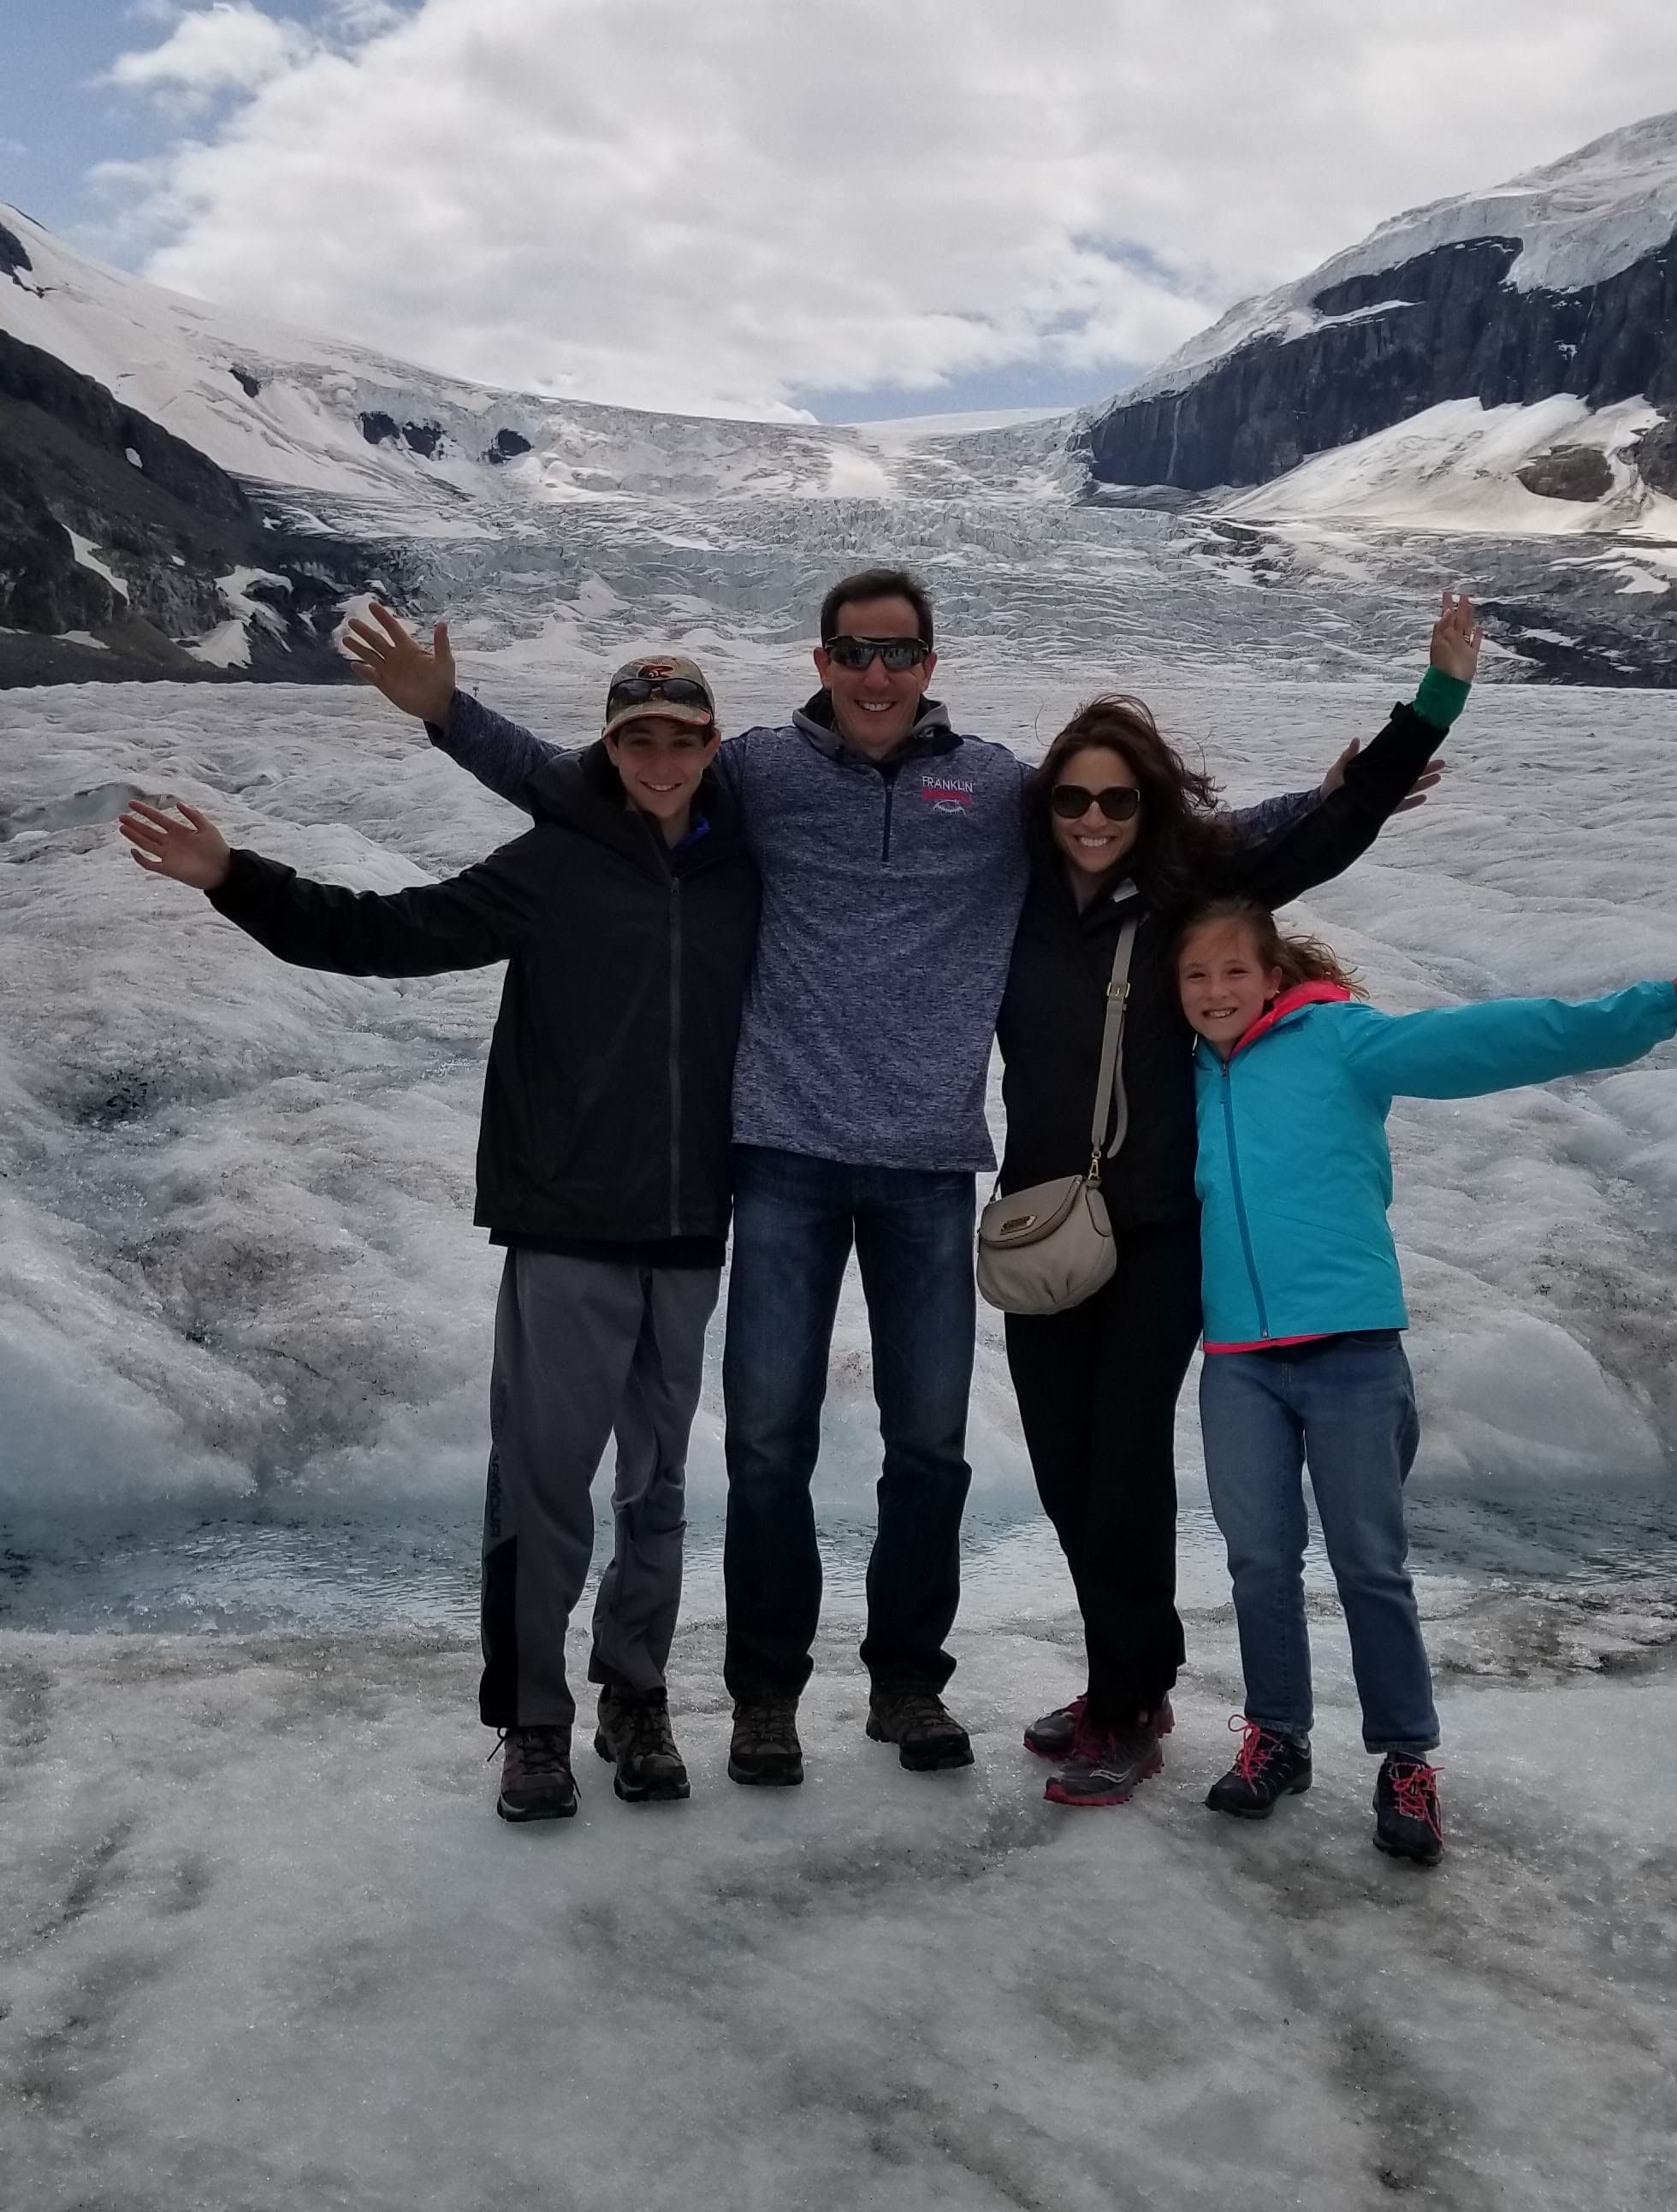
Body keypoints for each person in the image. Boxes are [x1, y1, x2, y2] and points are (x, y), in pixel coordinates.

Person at [343, 575, 1438, 1790]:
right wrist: (449, 714)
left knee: (927, 1448)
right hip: (784, 1156)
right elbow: (600, 786)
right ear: (823, 659)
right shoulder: (756, 770)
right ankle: (766, 1696)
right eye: (856, 652)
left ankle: (907, 1684)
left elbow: (1164, 837)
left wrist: (1349, 793)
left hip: (927, 1167)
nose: (877, 674)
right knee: (766, 1444)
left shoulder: (997, 791)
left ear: (928, 662)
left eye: (899, 652)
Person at [117, 655, 758, 1829]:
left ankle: (637, 1694)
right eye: (639, 740)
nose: (661, 760)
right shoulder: (557, 864)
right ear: (608, 753)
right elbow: (386, 933)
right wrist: (234, 879)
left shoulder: (744, 874)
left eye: (683, 738)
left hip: (690, 1226)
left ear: (715, 747)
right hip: (567, 1221)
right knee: (544, 1488)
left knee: (657, 1486)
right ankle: (534, 1723)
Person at [996, 596, 1481, 1812]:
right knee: (1063, 1472)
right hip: (1046, 1228)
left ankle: (1124, 1710)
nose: (1095, 819)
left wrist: (1430, 706)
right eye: (1073, 798)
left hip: (1160, 1233)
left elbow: (1316, 835)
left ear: (1148, 806)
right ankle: (1139, 1677)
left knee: (1121, 1474)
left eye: (1117, 798)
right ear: (1045, 807)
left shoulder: (1183, 888)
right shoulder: (1002, 897)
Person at [1176, 893, 1677, 1862]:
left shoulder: (1340, 1042)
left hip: (1351, 1352)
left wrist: (1652, 1008)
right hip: (1238, 1361)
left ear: (1272, 974)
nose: (1215, 991)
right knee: (1257, 1561)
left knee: (1369, 1563)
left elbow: (1485, 1040)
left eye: (1234, 970)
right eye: (1195, 976)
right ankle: (1276, 1738)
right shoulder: (1184, 1075)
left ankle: (1406, 1760)